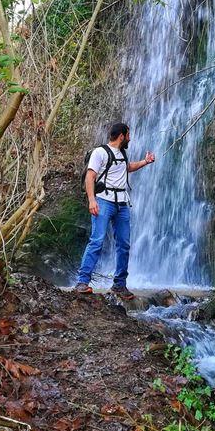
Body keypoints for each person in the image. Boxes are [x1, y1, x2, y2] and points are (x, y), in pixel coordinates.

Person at [74, 122, 155, 300]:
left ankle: (119, 285)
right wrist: (91, 200)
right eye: (128, 135)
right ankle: (82, 282)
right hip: (103, 201)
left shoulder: (122, 154)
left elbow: (126, 169)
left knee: (124, 244)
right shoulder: (100, 152)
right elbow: (90, 176)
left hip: (122, 204)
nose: (130, 138)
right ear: (122, 136)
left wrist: (145, 162)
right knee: (96, 241)